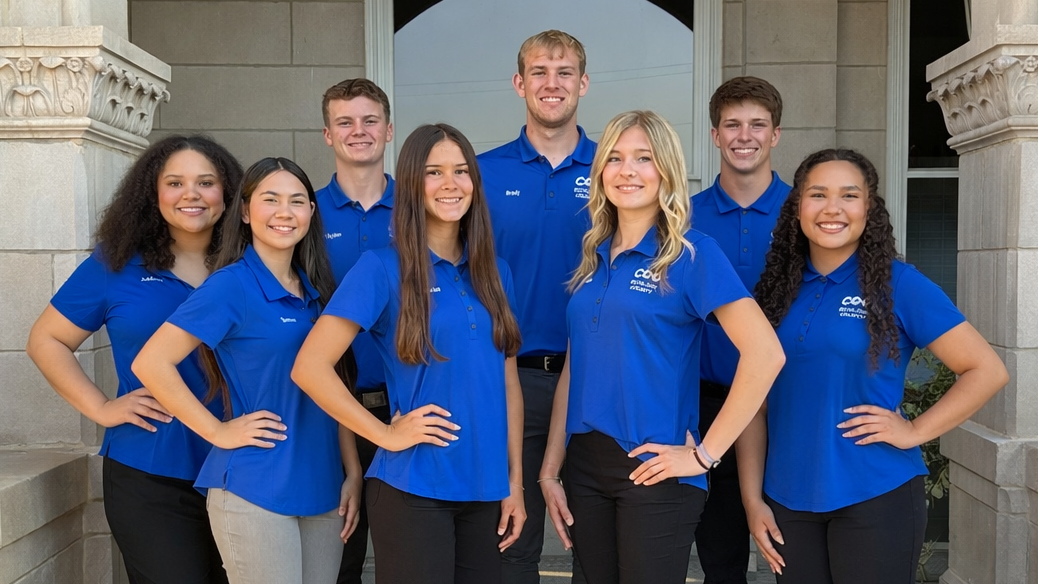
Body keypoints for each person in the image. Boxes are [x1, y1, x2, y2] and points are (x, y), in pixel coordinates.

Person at [740, 149, 1009, 584]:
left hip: (876, 493)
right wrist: (752, 500)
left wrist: (916, 431)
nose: (832, 208)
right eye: (817, 194)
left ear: (869, 207)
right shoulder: (775, 291)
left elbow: (986, 370)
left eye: (849, 195)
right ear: (797, 207)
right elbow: (754, 404)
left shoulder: (897, 284)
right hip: (787, 500)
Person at [539, 110, 785, 584]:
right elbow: (577, 365)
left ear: (666, 170)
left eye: (643, 158)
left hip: (655, 469)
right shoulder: (593, 256)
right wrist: (551, 467)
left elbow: (766, 354)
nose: (626, 170)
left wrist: (704, 455)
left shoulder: (692, 253)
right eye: (614, 158)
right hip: (586, 465)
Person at [293, 123, 526, 584]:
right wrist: (385, 434)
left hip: (486, 489)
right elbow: (310, 367)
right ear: (412, 184)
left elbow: (508, 384)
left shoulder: (496, 273)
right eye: (433, 172)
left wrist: (514, 482)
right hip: (414, 488)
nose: (450, 184)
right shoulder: (381, 267)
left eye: (461, 171)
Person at [25, 135, 242, 584]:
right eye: (175, 183)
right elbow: (47, 340)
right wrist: (101, 407)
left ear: (228, 193)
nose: (192, 195)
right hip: (149, 468)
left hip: (241, 467)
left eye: (206, 182)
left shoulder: (251, 265)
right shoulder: (117, 263)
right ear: (152, 193)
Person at [132, 157, 360, 584]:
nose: (284, 212)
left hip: (324, 487)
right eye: (269, 199)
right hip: (255, 486)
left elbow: (334, 387)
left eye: (297, 201)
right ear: (245, 210)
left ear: (312, 212)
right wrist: (217, 432)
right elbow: (151, 361)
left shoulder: (316, 292)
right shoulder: (231, 285)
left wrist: (352, 471)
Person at [477, 29, 594, 583]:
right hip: (510, 380)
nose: (553, 84)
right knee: (511, 542)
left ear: (583, 83)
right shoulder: (480, 173)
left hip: (596, 381)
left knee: (597, 539)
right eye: (540, 73)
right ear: (520, 83)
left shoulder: (615, 170)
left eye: (564, 72)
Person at [690, 76, 789, 584]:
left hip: (792, 408)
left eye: (757, 124)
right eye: (732, 124)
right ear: (714, 135)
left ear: (775, 135)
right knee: (721, 565)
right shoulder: (684, 218)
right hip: (712, 408)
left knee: (793, 560)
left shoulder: (808, 213)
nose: (743, 136)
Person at [315, 77, 396, 584]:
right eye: (345, 122)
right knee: (337, 555)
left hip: (405, 406)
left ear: (389, 131)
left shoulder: (418, 211)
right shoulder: (300, 212)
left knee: (405, 554)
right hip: (326, 409)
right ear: (327, 134)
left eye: (370, 121)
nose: (358, 131)